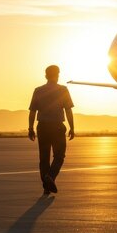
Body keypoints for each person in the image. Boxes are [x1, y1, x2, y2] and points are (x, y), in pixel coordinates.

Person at [28, 65, 75, 195]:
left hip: (42, 127)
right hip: (57, 127)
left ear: (46, 75)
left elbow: (32, 111)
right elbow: (68, 110)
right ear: (57, 75)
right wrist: (72, 127)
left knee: (44, 158)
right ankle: (51, 177)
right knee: (59, 156)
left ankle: (46, 187)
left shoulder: (38, 90)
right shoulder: (63, 90)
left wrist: (30, 128)